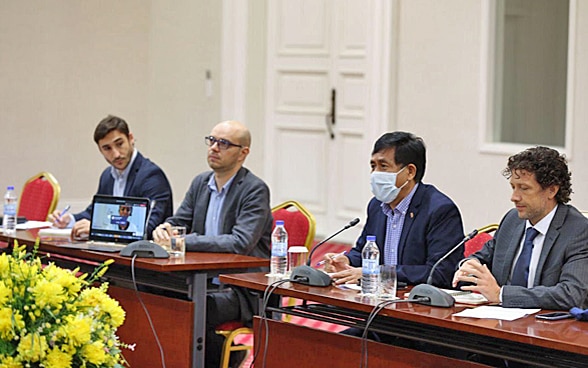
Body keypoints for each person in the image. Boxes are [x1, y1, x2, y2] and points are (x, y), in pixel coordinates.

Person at [152, 120, 272, 368]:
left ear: (243, 153)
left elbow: (240, 242)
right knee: (156, 297)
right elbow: (179, 220)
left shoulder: (254, 190)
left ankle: (222, 361)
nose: (214, 148)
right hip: (201, 281)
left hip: (241, 290)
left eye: (224, 143)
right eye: (212, 141)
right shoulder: (200, 183)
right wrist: (164, 229)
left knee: (194, 310)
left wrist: (184, 240)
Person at [453, 146, 588, 310]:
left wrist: (501, 295)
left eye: (524, 188)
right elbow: (482, 258)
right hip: (498, 322)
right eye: (513, 187)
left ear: (552, 190)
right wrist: (469, 266)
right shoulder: (512, 220)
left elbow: (571, 295)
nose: (514, 197)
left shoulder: (578, 231)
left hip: (546, 329)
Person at [324, 131, 464, 288]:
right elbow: (364, 250)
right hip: (378, 297)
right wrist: (347, 261)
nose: (375, 174)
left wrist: (377, 273)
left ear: (410, 172)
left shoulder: (440, 210)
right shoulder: (377, 205)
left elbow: (439, 272)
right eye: (373, 166)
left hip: (419, 302)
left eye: (383, 166)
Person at [49, 115, 173, 238]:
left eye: (119, 144)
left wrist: (99, 228)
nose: (116, 154)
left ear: (131, 138)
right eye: (107, 148)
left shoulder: (151, 176)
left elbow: (148, 227)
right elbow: (95, 213)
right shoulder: (107, 176)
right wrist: (69, 220)